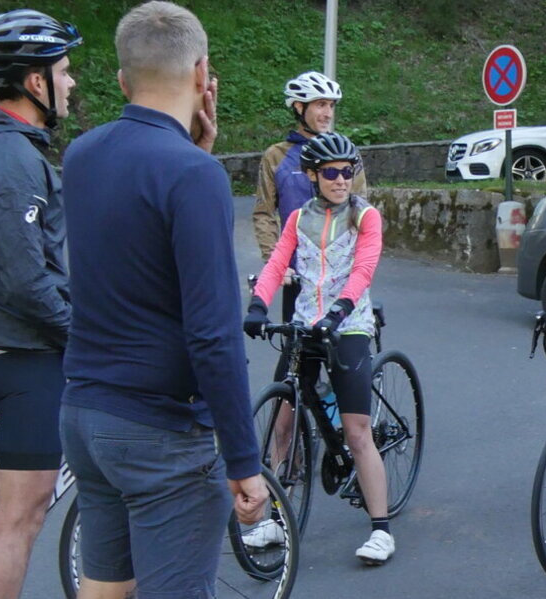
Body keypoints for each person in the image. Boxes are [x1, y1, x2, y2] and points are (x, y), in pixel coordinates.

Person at [58, 3, 266, 597]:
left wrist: (194, 156)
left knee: (105, 591)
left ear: (123, 80)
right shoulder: (192, 177)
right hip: (162, 432)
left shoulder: (82, 156)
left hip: (88, 415)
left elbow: (135, 249)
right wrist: (243, 460)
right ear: (203, 74)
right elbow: (212, 333)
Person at [0, 9, 80, 599]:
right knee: (19, 522)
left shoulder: (2, 149)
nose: (72, 82)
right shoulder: (14, 158)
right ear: (35, 82)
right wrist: (82, 332)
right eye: (65, 70)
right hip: (25, 356)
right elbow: (28, 280)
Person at [241, 132, 396, 564]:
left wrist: (341, 310)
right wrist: (257, 304)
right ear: (311, 175)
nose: (342, 179)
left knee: (356, 431)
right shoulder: (296, 220)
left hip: (349, 325)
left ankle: (381, 528)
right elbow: (276, 265)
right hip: (305, 322)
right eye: (331, 172)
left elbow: (363, 270)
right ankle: (275, 515)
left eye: (348, 172)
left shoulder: (365, 217)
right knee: (283, 419)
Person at [253, 71, 347, 258]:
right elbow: (264, 213)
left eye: (331, 105)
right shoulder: (276, 156)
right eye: (321, 105)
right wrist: (274, 261)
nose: (328, 114)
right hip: (294, 267)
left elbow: (361, 211)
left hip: (337, 269)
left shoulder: (346, 154)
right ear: (299, 107)